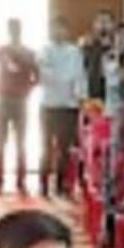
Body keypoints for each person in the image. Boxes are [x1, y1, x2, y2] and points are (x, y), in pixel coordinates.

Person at [39, 19, 86, 199]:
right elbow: (45, 76)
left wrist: (80, 96)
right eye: (54, 29)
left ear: (66, 31)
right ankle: (43, 185)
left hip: (69, 105)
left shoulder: (74, 51)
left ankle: (61, 185)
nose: (57, 32)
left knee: (65, 148)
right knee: (46, 146)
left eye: (61, 29)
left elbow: (80, 76)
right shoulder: (44, 50)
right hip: (49, 104)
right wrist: (66, 78)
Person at [0, 19, 41, 197]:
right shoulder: (1, 50)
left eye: (16, 29)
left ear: (21, 30)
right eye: (12, 29)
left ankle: (21, 182)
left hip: (20, 101)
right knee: (0, 143)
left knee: (21, 144)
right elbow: (5, 62)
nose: (14, 32)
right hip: (3, 99)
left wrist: (28, 89)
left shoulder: (30, 53)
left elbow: (38, 77)